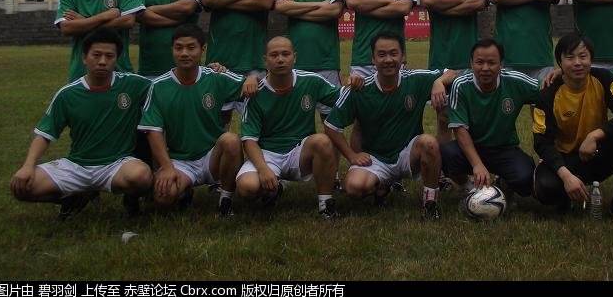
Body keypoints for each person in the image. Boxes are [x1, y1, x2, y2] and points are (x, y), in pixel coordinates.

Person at [10, 28, 152, 218]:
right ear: (84, 57)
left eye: (109, 56)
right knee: (21, 187)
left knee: (141, 176)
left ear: (117, 58)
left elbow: (167, 85)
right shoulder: (68, 94)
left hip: (117, 164)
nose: (102, 61)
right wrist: (28, 165)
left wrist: (205, 69)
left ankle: (130, 199)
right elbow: (44, 135)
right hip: (77, 165)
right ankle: (74, 197)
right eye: (96, 55)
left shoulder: (133, 84)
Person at [324, 33, 449, 219]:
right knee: (354, 188)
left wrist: (439, 82)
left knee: (429, 143)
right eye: (381, 55)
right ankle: (382, 186)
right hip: (375, 159)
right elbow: (331, 126)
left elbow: (452, 72)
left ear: (403, 56)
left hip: (407, 153)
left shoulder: (416, 79)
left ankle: (430, 203)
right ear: (372, 59)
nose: (388, 60)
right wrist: (352, 155)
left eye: (393, 53)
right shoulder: (360, 88)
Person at [532, 33, 613, 221]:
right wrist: (566, 176)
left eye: (583, 56)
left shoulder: (604, 79)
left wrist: (595, 136)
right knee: (546, 189)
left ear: (591, 59)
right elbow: (542, 142)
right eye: (570, 57)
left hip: (595, 152)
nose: (577, 63)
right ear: (559, 62)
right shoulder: (548, 94)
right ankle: (566, 195)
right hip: (565, 159)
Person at [138, 24, 245, 217]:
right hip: (180, 160)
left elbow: (249, 86)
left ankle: (226, 199)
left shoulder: (215, 76)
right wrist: (167, 168)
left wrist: (252, 79)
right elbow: (153, 132)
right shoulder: (159, 86)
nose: (184, 53)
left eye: (191, 47)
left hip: (212, 156)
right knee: (163, 196)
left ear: (202, 50)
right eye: (179, 48)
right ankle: (184, 191)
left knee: (231, 140)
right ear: (172, 50)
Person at [236, 36, 341, 219]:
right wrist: (262, 169)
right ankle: (273, 189)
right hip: (267, 154)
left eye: (285, 54)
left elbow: (343, 99)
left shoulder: (311, 81)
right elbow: (249, 140)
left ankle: (326, 204)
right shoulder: (256, 91)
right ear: (265, 60)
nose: (280, 59)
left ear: (295, 57)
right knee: (247, 187)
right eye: (274, 55)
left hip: (299, 153)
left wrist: (357, 84)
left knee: (322, 141)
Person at [344, 0, 417, 151]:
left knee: (397, 114)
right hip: (362, 58)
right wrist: (388, 0)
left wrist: (367, 3)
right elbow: (352, 2)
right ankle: (359, 166)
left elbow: (403, 8)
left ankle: (394, 168)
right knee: (360, 119)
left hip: (394, 59)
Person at [199, 0, 278, 123]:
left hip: (254, 61)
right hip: (220, 62)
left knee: (256, 124)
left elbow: (266, 1)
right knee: (218, 124)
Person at [441, 39, 539, 199]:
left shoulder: (515, 81)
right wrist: (477, 165)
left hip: (504, 149)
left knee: (526, 179)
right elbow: (460, 130)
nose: (485, 68)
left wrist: (556, 75)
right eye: (479, 62)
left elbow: (545, 90)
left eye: (492, 62)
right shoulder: (461, 84)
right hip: (473, 146)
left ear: (501, 64)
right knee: (446, 154)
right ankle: (468, 186)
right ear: (471, 64)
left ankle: (505, 184)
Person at [419, 0, 486, 140]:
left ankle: (471, 169)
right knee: (443, 117)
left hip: (469, 58)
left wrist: (442, 6)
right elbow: (427, 1)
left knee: (472, 118)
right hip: (440, 58)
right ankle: (446, 170)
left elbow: (477, 3)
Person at [275, 0, 346, 121]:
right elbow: (281, 8)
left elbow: (334, 10)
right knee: (296, 121)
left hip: (326, 62)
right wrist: (320, 5)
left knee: (330, 121)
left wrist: (296, 8)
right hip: (295, 62)